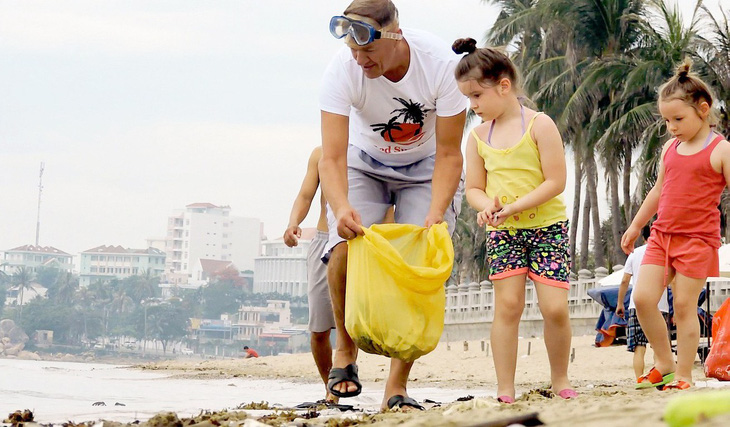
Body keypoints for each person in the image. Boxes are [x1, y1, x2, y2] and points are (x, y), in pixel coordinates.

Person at [319, 0, 466, 411]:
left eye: (367, 51)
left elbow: (451, 154)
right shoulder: (342, 69)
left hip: (428, 164)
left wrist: (436, 212)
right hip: (363, 162)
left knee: (418, 261)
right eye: (352, 50)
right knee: (344, 245)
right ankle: (345, 352)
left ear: (395, 34)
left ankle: (396, 387)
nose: (360, 60)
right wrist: (340, 205)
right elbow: (330, 157)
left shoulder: (438, 64)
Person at [454, 37, 574, 403]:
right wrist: (484, 206)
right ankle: (505, 388)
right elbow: (473, 187)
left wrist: (517, 205)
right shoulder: (477, 137)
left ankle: (560, 379)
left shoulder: (539, 124)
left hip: (547, 229)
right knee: (508, 307)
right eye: (468, 99)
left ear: (503, 86)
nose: (473, 106)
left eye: (477, 96)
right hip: (503, 232)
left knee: (554, 308)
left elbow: (556, 180)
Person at [621, 59, 730, 390]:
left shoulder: (721, 149)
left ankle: (684, 374)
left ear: (703, 108)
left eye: (678, 119)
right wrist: (635, 225)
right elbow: (658, 191)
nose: (671, 126)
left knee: (684, 306)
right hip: (661, 236)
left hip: (697, 240)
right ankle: (664, 361)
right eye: (666, 120)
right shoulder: (670, 148)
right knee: (642, 298)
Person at [283, 146, 393, 403]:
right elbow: (305, 195)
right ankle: (329, 389)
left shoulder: (379, 152)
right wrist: (293, 223)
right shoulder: (322, 152)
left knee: (351, 321)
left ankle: (350, 378)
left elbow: (390, 203)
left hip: (364, 240)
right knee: (319, 328)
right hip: (324, 240)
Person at [616, 225, 670, 380]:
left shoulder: (635, 253)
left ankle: (640, 378)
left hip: (637, 305)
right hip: (661, 305)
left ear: (643, 236)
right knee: (659, 348)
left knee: (639, 347)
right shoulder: (665, 253)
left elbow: (625, 280)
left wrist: (620, 304)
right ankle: (659, 377)